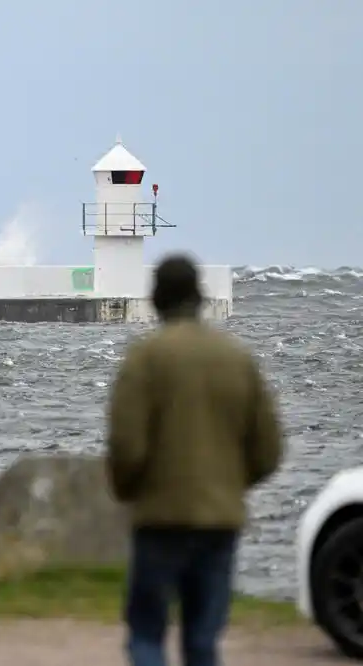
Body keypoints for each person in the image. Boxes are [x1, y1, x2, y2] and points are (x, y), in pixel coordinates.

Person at [105, 254, 284, 666]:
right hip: (219, 519)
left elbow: (127, 447)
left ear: (155, 299)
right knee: (203, 639)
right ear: (201, 297)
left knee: (148, 634)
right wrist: (229, 485)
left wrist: (129, 491)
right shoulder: (237, 358)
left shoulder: (145, 359)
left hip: (159, 518)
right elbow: (269, 450)